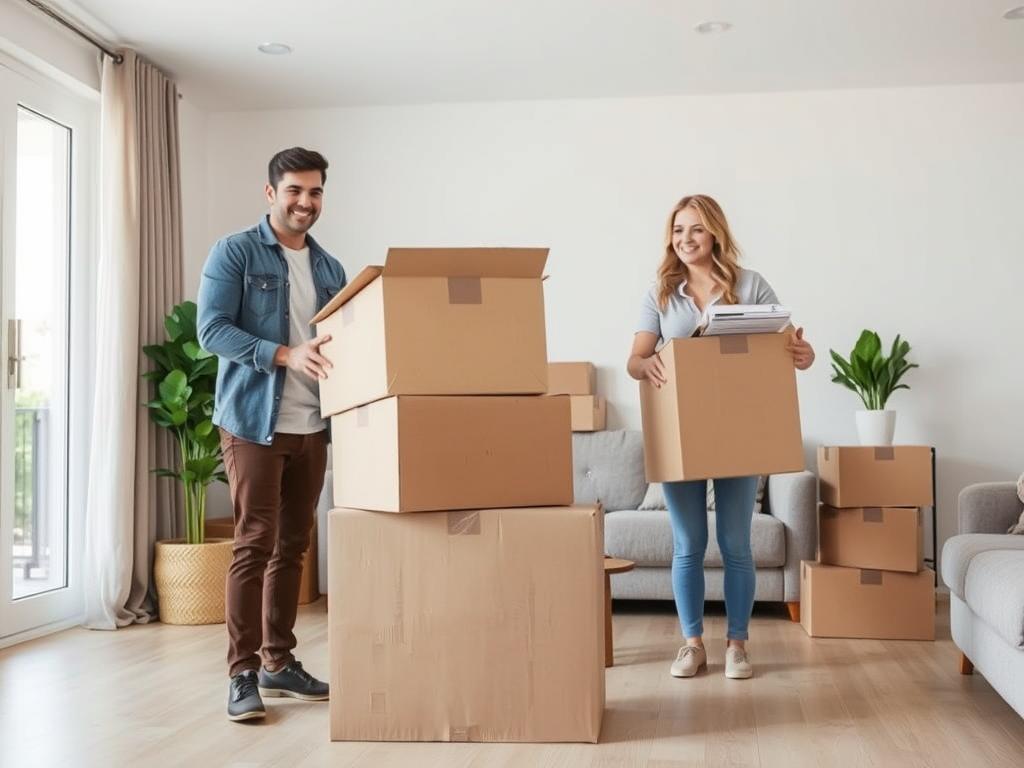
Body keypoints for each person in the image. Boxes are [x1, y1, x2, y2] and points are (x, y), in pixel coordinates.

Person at [626, 194, 814, 680]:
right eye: (677, 230)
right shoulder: (662, 293)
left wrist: (801, 351)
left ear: (715, 234)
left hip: (738, 428)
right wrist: (647, 363)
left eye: (695, 230)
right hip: (681, 431)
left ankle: (737, 644)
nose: (685, 239)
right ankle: (692, 644)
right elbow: (635, 360)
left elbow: (790, 346)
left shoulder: (750, 285)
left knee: (735, 543)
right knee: (688, 543)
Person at [197, 147, 346, 722]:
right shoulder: (236, 251)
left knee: (293, 547)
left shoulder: (330, 268)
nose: (305, 203)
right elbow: (212, 330)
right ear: (270, 193)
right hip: (253, 422)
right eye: (294, 191)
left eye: (314, 192)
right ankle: (241, 673)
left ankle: (278, 663)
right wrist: (284, 354)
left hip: (311, 426)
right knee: (253, 543)